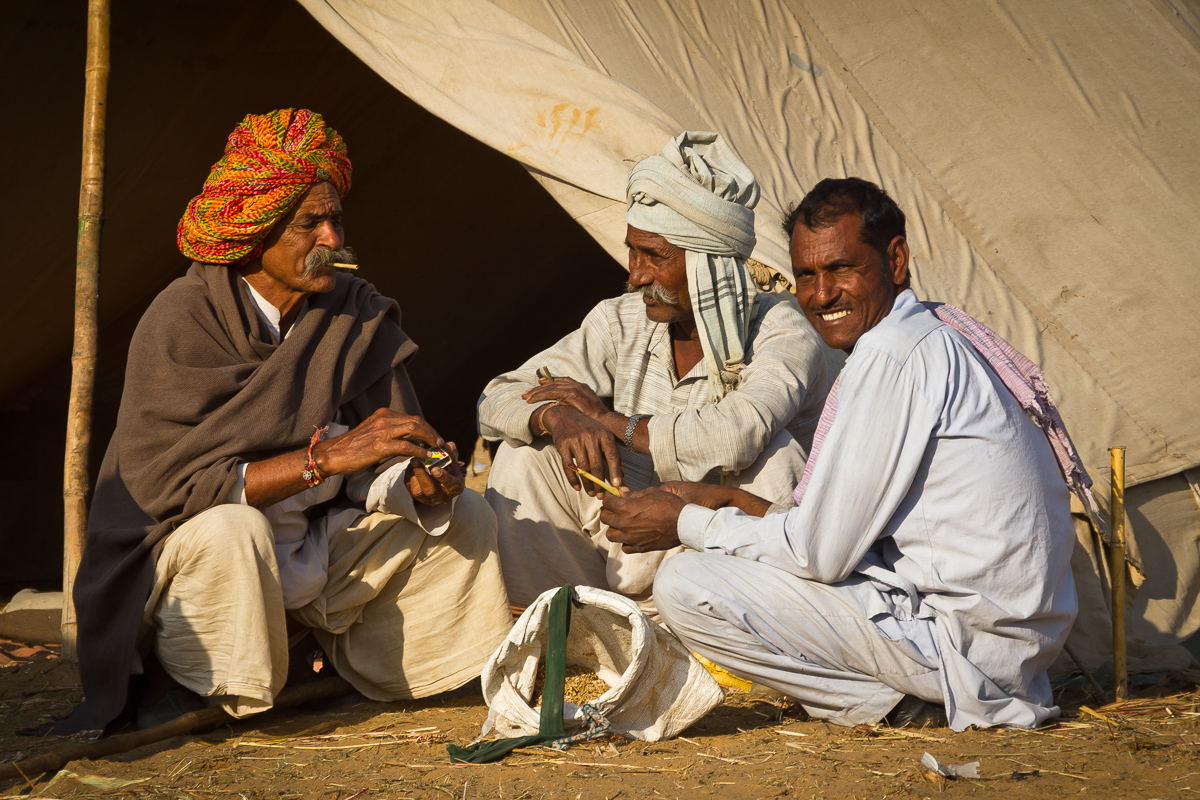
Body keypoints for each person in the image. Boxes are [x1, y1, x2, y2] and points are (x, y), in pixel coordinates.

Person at [58, 109, 512, 734]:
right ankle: (197, 682)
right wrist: (321, 461)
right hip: (191, 552)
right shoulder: (181, 318)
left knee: (468, 515)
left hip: (309, 549)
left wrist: (416, 482)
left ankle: (395, 673)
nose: (331, 239)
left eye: (336, 220)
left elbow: (382, 456)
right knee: (233, 531)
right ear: (254, 233)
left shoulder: (354, 313)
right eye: (308, 225)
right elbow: (167, 490)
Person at [600, 177, 1093, 730]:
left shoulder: (892, 358)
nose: (820, 294)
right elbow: (839, 534)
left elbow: (821, 556)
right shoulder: (933, 333)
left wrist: (687, 521)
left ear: (896, 260)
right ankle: (904, 700)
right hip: (1007, 646)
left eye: (842, 269)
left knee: (686, 585)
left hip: (964, 647)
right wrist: (728, 500)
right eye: (806, 276)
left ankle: (887, 706)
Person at [478, 132, 828, 616]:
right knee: (522, 458)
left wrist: (608, 420)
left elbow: (738, 433)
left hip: (720, 549)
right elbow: (498, 397)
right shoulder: (619, 319)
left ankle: (749, 636)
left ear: (708, 265)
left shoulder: (782, 330)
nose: (635, 274)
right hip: (628, 541)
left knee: (775, 456)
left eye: (654, 257)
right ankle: (571, 632)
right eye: (632, 251)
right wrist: (557, 417)